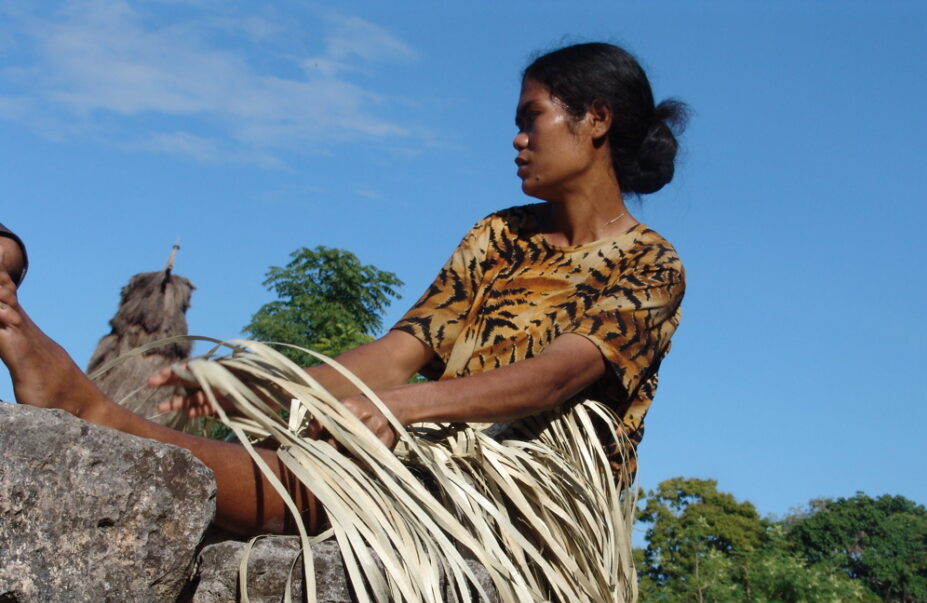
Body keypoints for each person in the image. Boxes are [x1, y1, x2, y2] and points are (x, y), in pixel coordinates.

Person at [0, 42, 688, 536]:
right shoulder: (499, 236)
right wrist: (252, 386)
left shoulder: (651, 266)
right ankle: (99, 416)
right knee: (310, 458)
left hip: (522, 499)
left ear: (595, 119)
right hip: (434, 447)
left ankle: (96, 416)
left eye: (531, 116)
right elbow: (398, 352)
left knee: (324, 485)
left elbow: (553, 377)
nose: (516, 139)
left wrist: (405, 409)